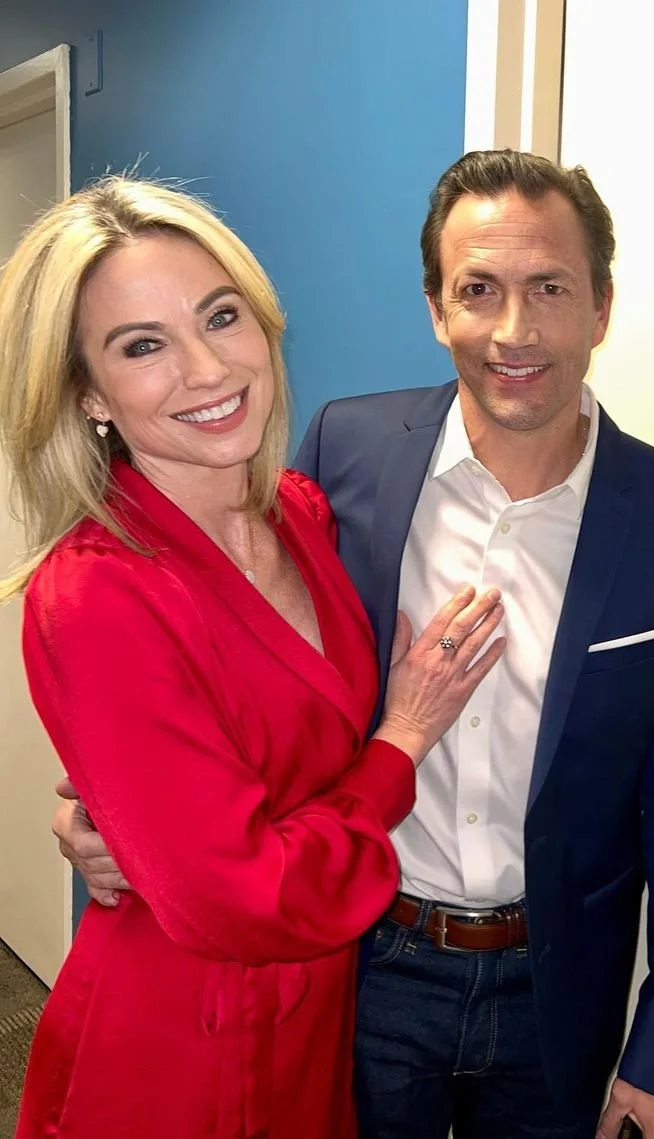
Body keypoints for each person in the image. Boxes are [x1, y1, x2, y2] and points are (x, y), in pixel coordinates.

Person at [57, 150, 654, 1139]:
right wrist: (107, 808)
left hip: (554, 985)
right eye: (479, 289)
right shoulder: (347, 458)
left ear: (601, 306)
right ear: (436, 307)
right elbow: (232, 669)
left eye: (551, 287)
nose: (515, 330)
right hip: (361, 966)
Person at [0, 176, 504, 1139]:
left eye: (219, 316)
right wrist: (402, 740)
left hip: (313, 1015)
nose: (205, 368)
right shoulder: (98, 592)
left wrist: (122, 814)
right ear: (89, 394)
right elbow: (241, 896)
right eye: (142, 345)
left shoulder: (301, 517)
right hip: (181, 1034)